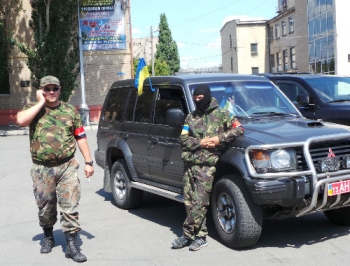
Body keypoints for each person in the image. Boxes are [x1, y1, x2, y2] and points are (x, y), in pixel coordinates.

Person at [17, 75, 94, 263]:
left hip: (67, 165)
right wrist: (40, 103)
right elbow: (21, 121)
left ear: (60, 90)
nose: (51, 92)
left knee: (70, 206)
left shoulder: (70, 111)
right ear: (41, 90)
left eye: (54, 88)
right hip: (42, 169)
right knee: (46, 207)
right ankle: (48, 236)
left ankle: (72, 245)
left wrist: (88, 162)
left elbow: (81, 136)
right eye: (47, 89)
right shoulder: (32, 109)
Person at [172, 84, 244, 251]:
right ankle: (195, 236)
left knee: (200, 202)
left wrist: (220, 139)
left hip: (206, 166)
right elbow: (183, 139)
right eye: (195, 99)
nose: (198, 101)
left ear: (207, 96)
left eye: (200, 98)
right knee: (190, 202)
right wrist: (200, 142)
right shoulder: (191, 117)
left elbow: (239, 129)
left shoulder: (222, 114)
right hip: (189, 164)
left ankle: (192, 235)